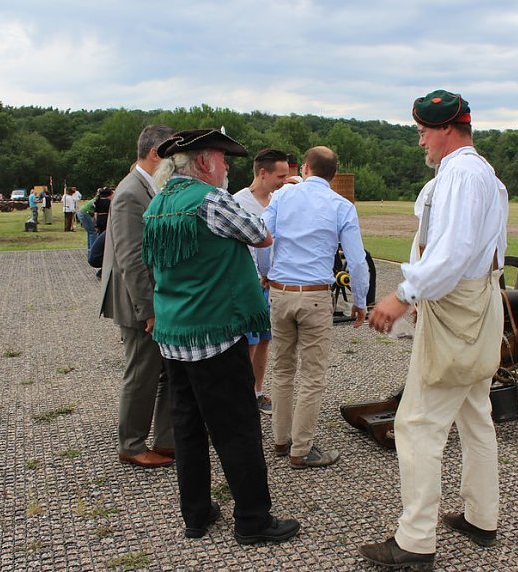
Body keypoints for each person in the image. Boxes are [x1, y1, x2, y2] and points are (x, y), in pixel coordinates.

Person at [358, 90, 509, 569]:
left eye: (424, 129)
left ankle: (415, 540)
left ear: (447, 128)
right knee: (475, 414)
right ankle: (481, 517)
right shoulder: (480, 174)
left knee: (417, 424)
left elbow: (452, 253)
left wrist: (403, 295)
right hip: (477, 305)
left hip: (457, 309)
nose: (420, 138)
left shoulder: (463, 174)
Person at [142, 128, 300, 544]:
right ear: (203, 162)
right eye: (223, 158)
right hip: (214, 333)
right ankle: (252, 519)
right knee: (237, 428)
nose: (228, 166)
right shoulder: (210, 200)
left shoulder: (158, 204)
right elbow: (261, 234)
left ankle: (196, 514)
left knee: (188, 428)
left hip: (174, 336)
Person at [260, 146, 369, 469]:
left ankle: (281, 439)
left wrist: (267, 273)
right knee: (312, 374)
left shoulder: (281, 197)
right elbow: (357, 261)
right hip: (316, 295)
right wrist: (360, 301)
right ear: (333, 176)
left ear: (304, 168)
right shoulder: (341, 205)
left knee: (281, 369)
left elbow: (263, 238)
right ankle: (301, 448)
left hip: (280, 291)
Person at [99, 124, 177, 468]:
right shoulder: (132, 192)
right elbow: (131, 258)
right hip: (136, 302)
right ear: (154, 154)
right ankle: (131, 444)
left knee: (163, 372)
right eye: (171, 153)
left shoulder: (146, 186)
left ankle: (166, 439)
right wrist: (148, 309)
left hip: (148, 299)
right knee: (142, 372)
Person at [233, 148, 290, 415]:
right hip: (249, 283)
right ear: (262, 173)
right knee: (248, 342)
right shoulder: (238, 202)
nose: (283, 181)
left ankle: (257, 391)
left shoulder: (280, 201)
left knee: (265, 340)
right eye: (280, 175)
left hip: (275, 283)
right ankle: (240, 396)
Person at [77, 191, 99, 257]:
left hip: (82, 212)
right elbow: (96, 212)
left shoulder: (95, 199)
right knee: (93, 232)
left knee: (90, 232)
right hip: (84, 213)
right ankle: (93, 252)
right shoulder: (97, 201)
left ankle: (90, 250)